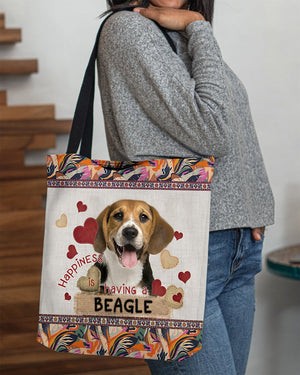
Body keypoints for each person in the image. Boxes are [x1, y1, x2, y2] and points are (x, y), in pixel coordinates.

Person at [97, 1, 275, 374]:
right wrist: (199, 26)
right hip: (181, 250)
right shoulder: (129, 30)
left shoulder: (175, 31)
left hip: (235, 249)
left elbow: (233, 122)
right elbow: (213, 129)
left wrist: (250, 209)